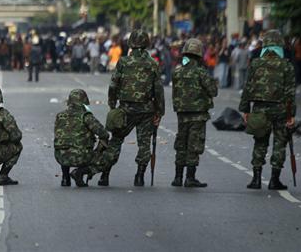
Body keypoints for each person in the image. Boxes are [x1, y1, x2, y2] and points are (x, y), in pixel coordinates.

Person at [72, 30, 164, 187]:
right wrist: (159, 112)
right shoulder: (152, 64)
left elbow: (113, 85)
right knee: (144, 145)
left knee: (114, 144)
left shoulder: (123, 62)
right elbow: (158, 90)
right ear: (146, 43)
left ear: (131, 44)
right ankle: (140, 176)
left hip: (125, 110)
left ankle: (95, 173)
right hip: (146, 111)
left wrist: (112, 104)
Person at [239, 30, 296, 190]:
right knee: (280, 144)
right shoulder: (287, 65)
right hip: (281, 110)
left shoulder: (256, 64)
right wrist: (291, 115)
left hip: (259, 109)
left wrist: (245, 109)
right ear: (279, 46)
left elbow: (248, 87)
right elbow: (290, 92)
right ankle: (274, 180)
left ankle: (256, 179)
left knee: (259, 143)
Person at [171, 38, 218, 188]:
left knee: (181, 143)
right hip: (198, 114)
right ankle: (190, 178)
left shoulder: (177, 72)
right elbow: (213, 91)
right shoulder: (201, 72)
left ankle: (177, 177)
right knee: (194, 145)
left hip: (182, 114)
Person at [54, 89, 108, 187]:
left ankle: (65, 178)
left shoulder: (60, 116)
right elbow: (103, 134)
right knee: (109, 152)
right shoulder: (86, 116)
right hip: (81, 157)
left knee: (65, 145)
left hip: (61, 157)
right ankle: (81, 172)